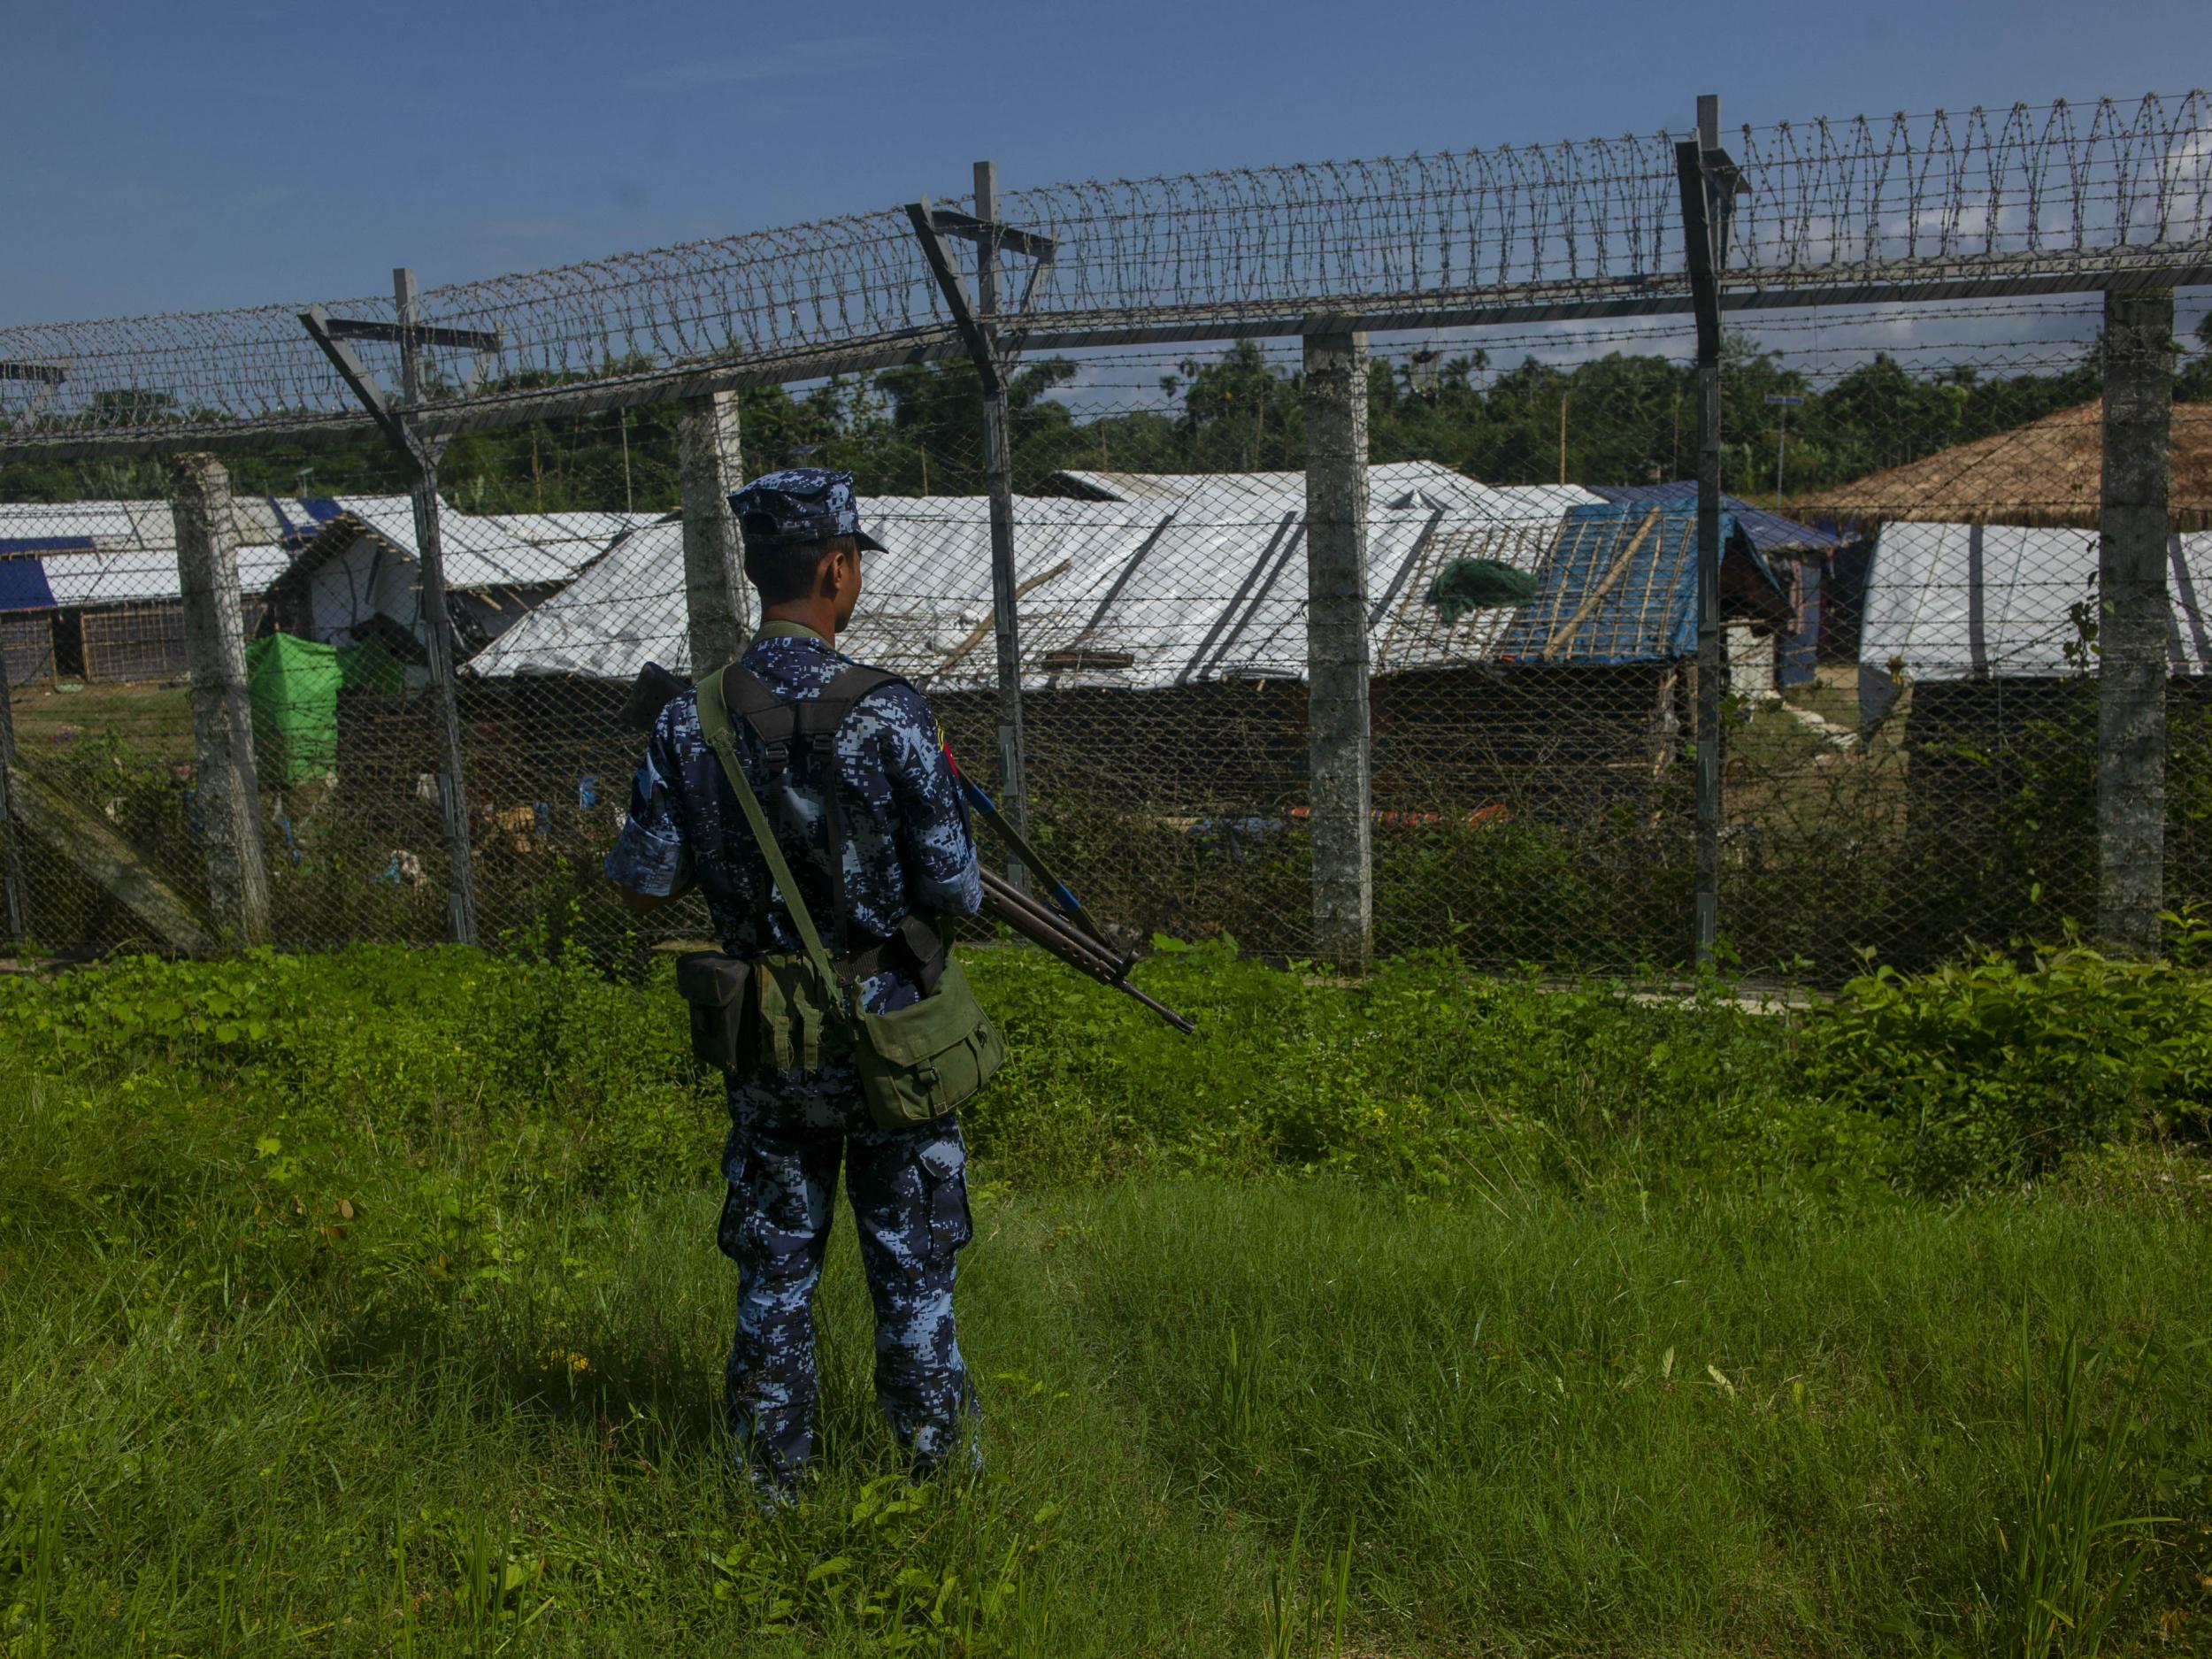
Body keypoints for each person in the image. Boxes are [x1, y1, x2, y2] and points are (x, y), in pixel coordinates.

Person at [603, 467, 985, 1498]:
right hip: (892, 1041)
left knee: (775, 1272)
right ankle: (936, 1481)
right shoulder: (894, 714)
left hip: (768, 1043)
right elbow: (957, 884)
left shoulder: (693, 722)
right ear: (836, 566)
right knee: (911, 1271)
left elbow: (640, 884)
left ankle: (772, 1484)